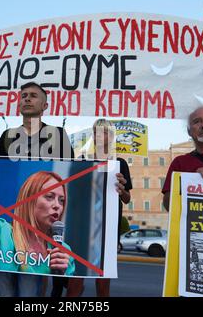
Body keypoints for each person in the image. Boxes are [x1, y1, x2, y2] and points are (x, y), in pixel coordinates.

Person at [0, 82, 75, 297]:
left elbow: (71, 173)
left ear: (45, 105)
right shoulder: (7, 135)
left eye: (33, 96)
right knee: (5, 285)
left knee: (31, 287)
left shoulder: (57, 134)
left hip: (38, 227)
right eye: (24, 95)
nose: (27, 98)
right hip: (10, 219)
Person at [0, 168, 75, 296]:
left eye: (61, 200)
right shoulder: (3, 233)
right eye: (49, 197)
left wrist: (65, 273)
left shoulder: (63, 251)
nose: (57, 206)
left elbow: (75, 287)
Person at [66, 119, 132, 297]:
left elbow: (127, 199)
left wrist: (122, 188)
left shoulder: (120, 163)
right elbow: (72, 196)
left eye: (103, 131)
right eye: (95, 131)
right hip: (81, 227)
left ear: (111, 136)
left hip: (108, 230)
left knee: (103, 283)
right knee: (75, 283)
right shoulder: (82, 160)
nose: (98, 135)